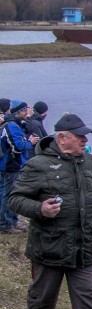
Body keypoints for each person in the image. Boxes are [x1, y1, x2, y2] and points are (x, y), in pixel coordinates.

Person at [8, 113, 92, 309]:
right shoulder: (38, 165)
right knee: (43, 296)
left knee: (89, 296)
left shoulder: (91, 162)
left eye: (85, 136)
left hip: (85, 245)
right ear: (62, 138)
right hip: (49, 246)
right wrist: (40, 209)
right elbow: (15, 198)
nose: (84, 140)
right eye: (80, 136)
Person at [1, 100, 40, 233]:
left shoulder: (15, 124)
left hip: (11, 164)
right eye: (24, 110)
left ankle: (11, 221)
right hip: (10, 165)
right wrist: (30, 142)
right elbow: (17, 147)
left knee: (8, 194)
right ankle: (6, 224)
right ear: (17, 112)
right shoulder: (11, 126)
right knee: (9, 195)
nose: (27, 112)